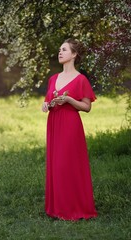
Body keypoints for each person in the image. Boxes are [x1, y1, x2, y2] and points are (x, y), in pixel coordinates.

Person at [42, 38, 97, 221]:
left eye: (64, 50)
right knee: (56, 165)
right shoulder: (53, 79)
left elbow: (87, 107)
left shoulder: (80, 79)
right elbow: (47, 101)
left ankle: (74, 208)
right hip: (54, 124)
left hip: (70, 124)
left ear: (74, 54)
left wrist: (69, 100)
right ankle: (57, 208)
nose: (60, 52)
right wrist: (46, 105)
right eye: (59, 50)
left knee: (67, 165)